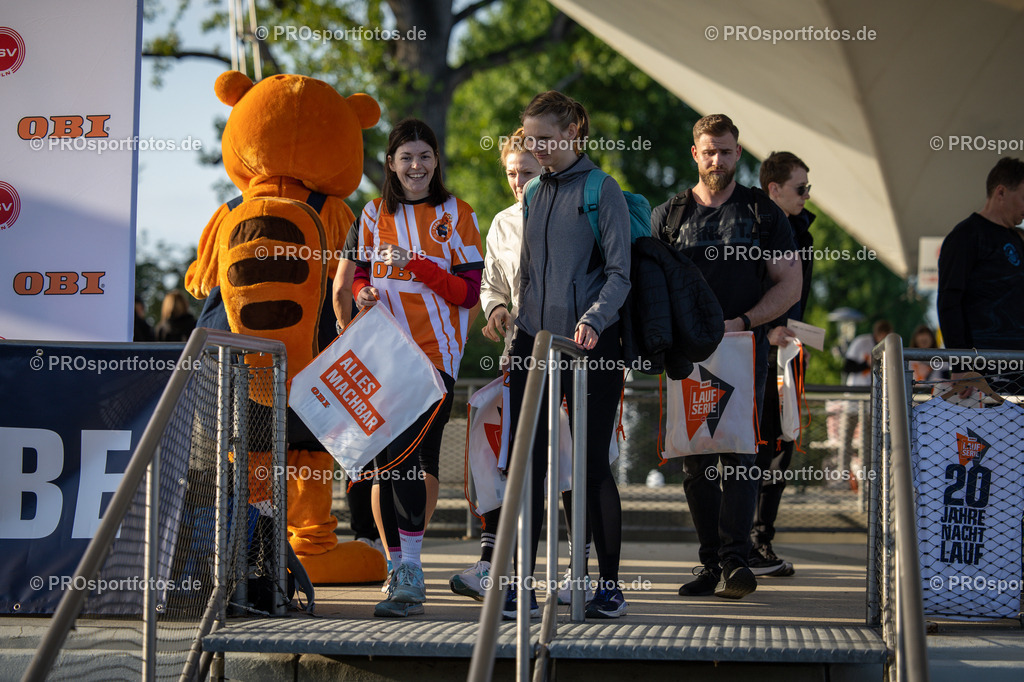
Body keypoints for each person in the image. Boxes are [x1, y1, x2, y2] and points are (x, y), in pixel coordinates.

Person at [652, 114, 801, 600]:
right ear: (695, 154)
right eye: (709, 151)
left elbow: (789, 285)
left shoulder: (763, 213)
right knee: (695, 460)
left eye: (727, 150)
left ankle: (737, 562)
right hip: (687, 356)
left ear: (739, 154)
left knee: (741, 453)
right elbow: (650, 290)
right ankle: (710, 563)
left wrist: (744, 323)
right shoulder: (668, 216)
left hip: (743, 348)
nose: (718, 159)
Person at [449, 128, 594, 606]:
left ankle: (579, 571)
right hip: (522, 351)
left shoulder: (576, 208)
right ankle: (512, 576)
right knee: (517, 462)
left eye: (526, 172)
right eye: (511, 173)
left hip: (575, 351)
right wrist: (494, 311)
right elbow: (491, 282)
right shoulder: (503, 222)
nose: (518, 181)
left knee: (574, 462)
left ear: (547, 166)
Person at [350, 118, 484, 617]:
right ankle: (398, 567)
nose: (416, 165)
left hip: (433, 358)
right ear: (391, 163)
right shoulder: (370, 214)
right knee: (388, 465)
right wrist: (363, 291)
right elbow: (362, 271)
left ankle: (410, 570)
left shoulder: (457, 213)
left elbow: (468, 292)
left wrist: (416, 263)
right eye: (406, 156)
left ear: (437, 161)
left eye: (425, 155)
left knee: (410, 460)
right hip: (382, 357)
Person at [504, 90, 630, 619]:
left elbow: (620, 274)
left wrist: (592, 320)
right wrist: (517, 328)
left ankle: (607, 586)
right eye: (530, 139)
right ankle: (520, 586)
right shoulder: (533, 192)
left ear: (573, 131)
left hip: (592, 349)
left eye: (546, 139)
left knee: (592, 466)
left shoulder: (604, 190)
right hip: (535, 346)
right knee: (526, 467)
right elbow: (527, 273)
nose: (537, 148)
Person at [748, 151, 816, 578]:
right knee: (757, 445)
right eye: (801, 188)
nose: (808, 196)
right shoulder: (754, 227)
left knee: (782, 443)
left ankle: (759, 540)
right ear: (774, 189)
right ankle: (746, 542)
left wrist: (795, 332)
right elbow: (746, 288)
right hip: (760, 350)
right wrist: (766, 329)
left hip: (788, 352)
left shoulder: (800, 233)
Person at [938, 157, 1024, 390]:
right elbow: (949, 302)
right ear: (1001, 192)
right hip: (985, 373)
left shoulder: (1017, 239)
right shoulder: (966, 235)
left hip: (1019, 367)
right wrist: (962, 365)